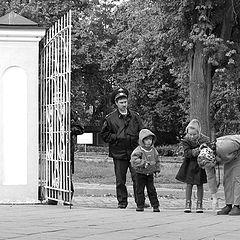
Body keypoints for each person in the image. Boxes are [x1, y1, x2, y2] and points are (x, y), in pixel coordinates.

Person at [100, 87, 144, 209]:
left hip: (134, 152)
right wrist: (116, 137)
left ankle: (140, 201)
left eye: (125, 102)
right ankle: (122, 201)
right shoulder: (110, 118)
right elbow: (104, 135)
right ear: (116, 103)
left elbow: (142, 131)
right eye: (121, 102)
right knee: (120, 180)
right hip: (118, 152)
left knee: (137, 178)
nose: (124, 104)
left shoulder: (135, 116)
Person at [198, 134, 240, 215]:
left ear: (212, 159)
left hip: (237, 152)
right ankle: (229, 205)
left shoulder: (224, 146)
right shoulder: (206, 159)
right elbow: (211, 178)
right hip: (229, 157)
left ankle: (237, 206)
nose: (210, 168)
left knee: (237, 179)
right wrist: (214, 198)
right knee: (227, 179)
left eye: (210, 166)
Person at [176, 119, 209, 213]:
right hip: (189, 164)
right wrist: (198, 149)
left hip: (200, 164)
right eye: (190, 134)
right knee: (189, 184)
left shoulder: (205, 140)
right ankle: (188, 203)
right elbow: (187, 153)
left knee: (200, 184)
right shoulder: (186, 141)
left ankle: (199, 203)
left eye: (194, 134)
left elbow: (208, 150)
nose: (192, 136)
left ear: (198, 133)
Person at [131, 129, 161, 212]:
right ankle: (140, 205)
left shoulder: (153, 150)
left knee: (151, 190)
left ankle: (155, 205)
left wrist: (157, 170)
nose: (149, 142)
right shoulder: (139, 150)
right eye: (146, 140)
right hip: (140, 173)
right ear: (142, 140)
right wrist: (143, 163)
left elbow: (157, 160)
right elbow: (134, 160)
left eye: (150, 139)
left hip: (150, 173)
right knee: (139, 189)